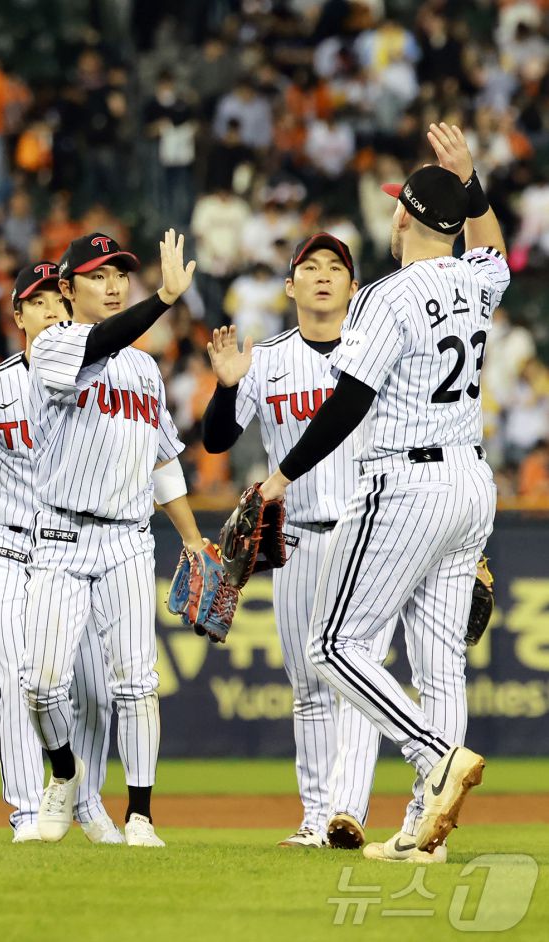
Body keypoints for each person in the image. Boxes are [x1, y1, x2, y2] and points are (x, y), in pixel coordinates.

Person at [255, 123, 510, 861]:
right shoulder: (477, 280)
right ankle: (425, 829)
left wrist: (281, 474)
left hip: (406, 481)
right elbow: (492, 248)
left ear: (400, 215)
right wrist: (471, 183)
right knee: (439, 663)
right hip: (471, 480)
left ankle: (438, 758)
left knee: (334, 644)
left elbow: (348, 405)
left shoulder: (387, 299)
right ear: (453, 222)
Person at [202, 233, 393, 849]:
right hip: (300, 542)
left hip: (370, 538)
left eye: (334, 267)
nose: (321, 276)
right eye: (308, 267)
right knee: (310, 689)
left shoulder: (376, 356)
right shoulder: (269, 359)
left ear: (352, 285)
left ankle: (347, 811)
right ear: (289, 287)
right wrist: (229, 385)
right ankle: (317, 820)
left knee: (355, 678)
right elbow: (216, 442)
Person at [0, 263, 122, 844]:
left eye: (58, 299)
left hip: (82, 551)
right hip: (12, 549)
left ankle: (85, 804)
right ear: (18, 317)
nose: (52, 311)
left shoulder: (103, 376)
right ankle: (26, 811)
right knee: (18, 679)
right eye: (36, 303)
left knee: (89, 686)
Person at [21, 230, 200, 847]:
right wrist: (164, 301)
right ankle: (65, 773)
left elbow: (163, 460)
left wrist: (193, 539)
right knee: (41, 683)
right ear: (66, 289)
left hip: (128, 538)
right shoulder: (52, 345)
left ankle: (142, 814)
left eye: (120, 273)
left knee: (136, 682)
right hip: (61, 535)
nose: (115, 283)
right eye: (99, 275)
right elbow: (102, 339)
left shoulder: (145, 368)